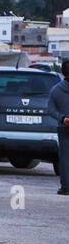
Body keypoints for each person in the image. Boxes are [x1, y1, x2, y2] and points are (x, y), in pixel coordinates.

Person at [52, 60, 69, 195]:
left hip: (64, 127)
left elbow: (50, 109)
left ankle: (66, 187)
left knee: (65, 158)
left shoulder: (56, 90)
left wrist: (63, 118)